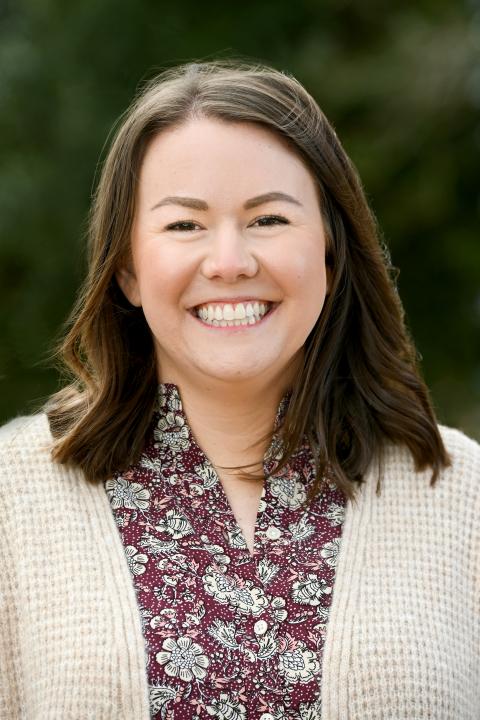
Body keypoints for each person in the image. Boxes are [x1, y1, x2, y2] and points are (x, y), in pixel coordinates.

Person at [0, 60, 478, 720]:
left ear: (332, 254)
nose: (229, 261)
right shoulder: (11, 500)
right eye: (184, 226)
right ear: (128, 269)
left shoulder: (464, 499)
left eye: (269, 220)